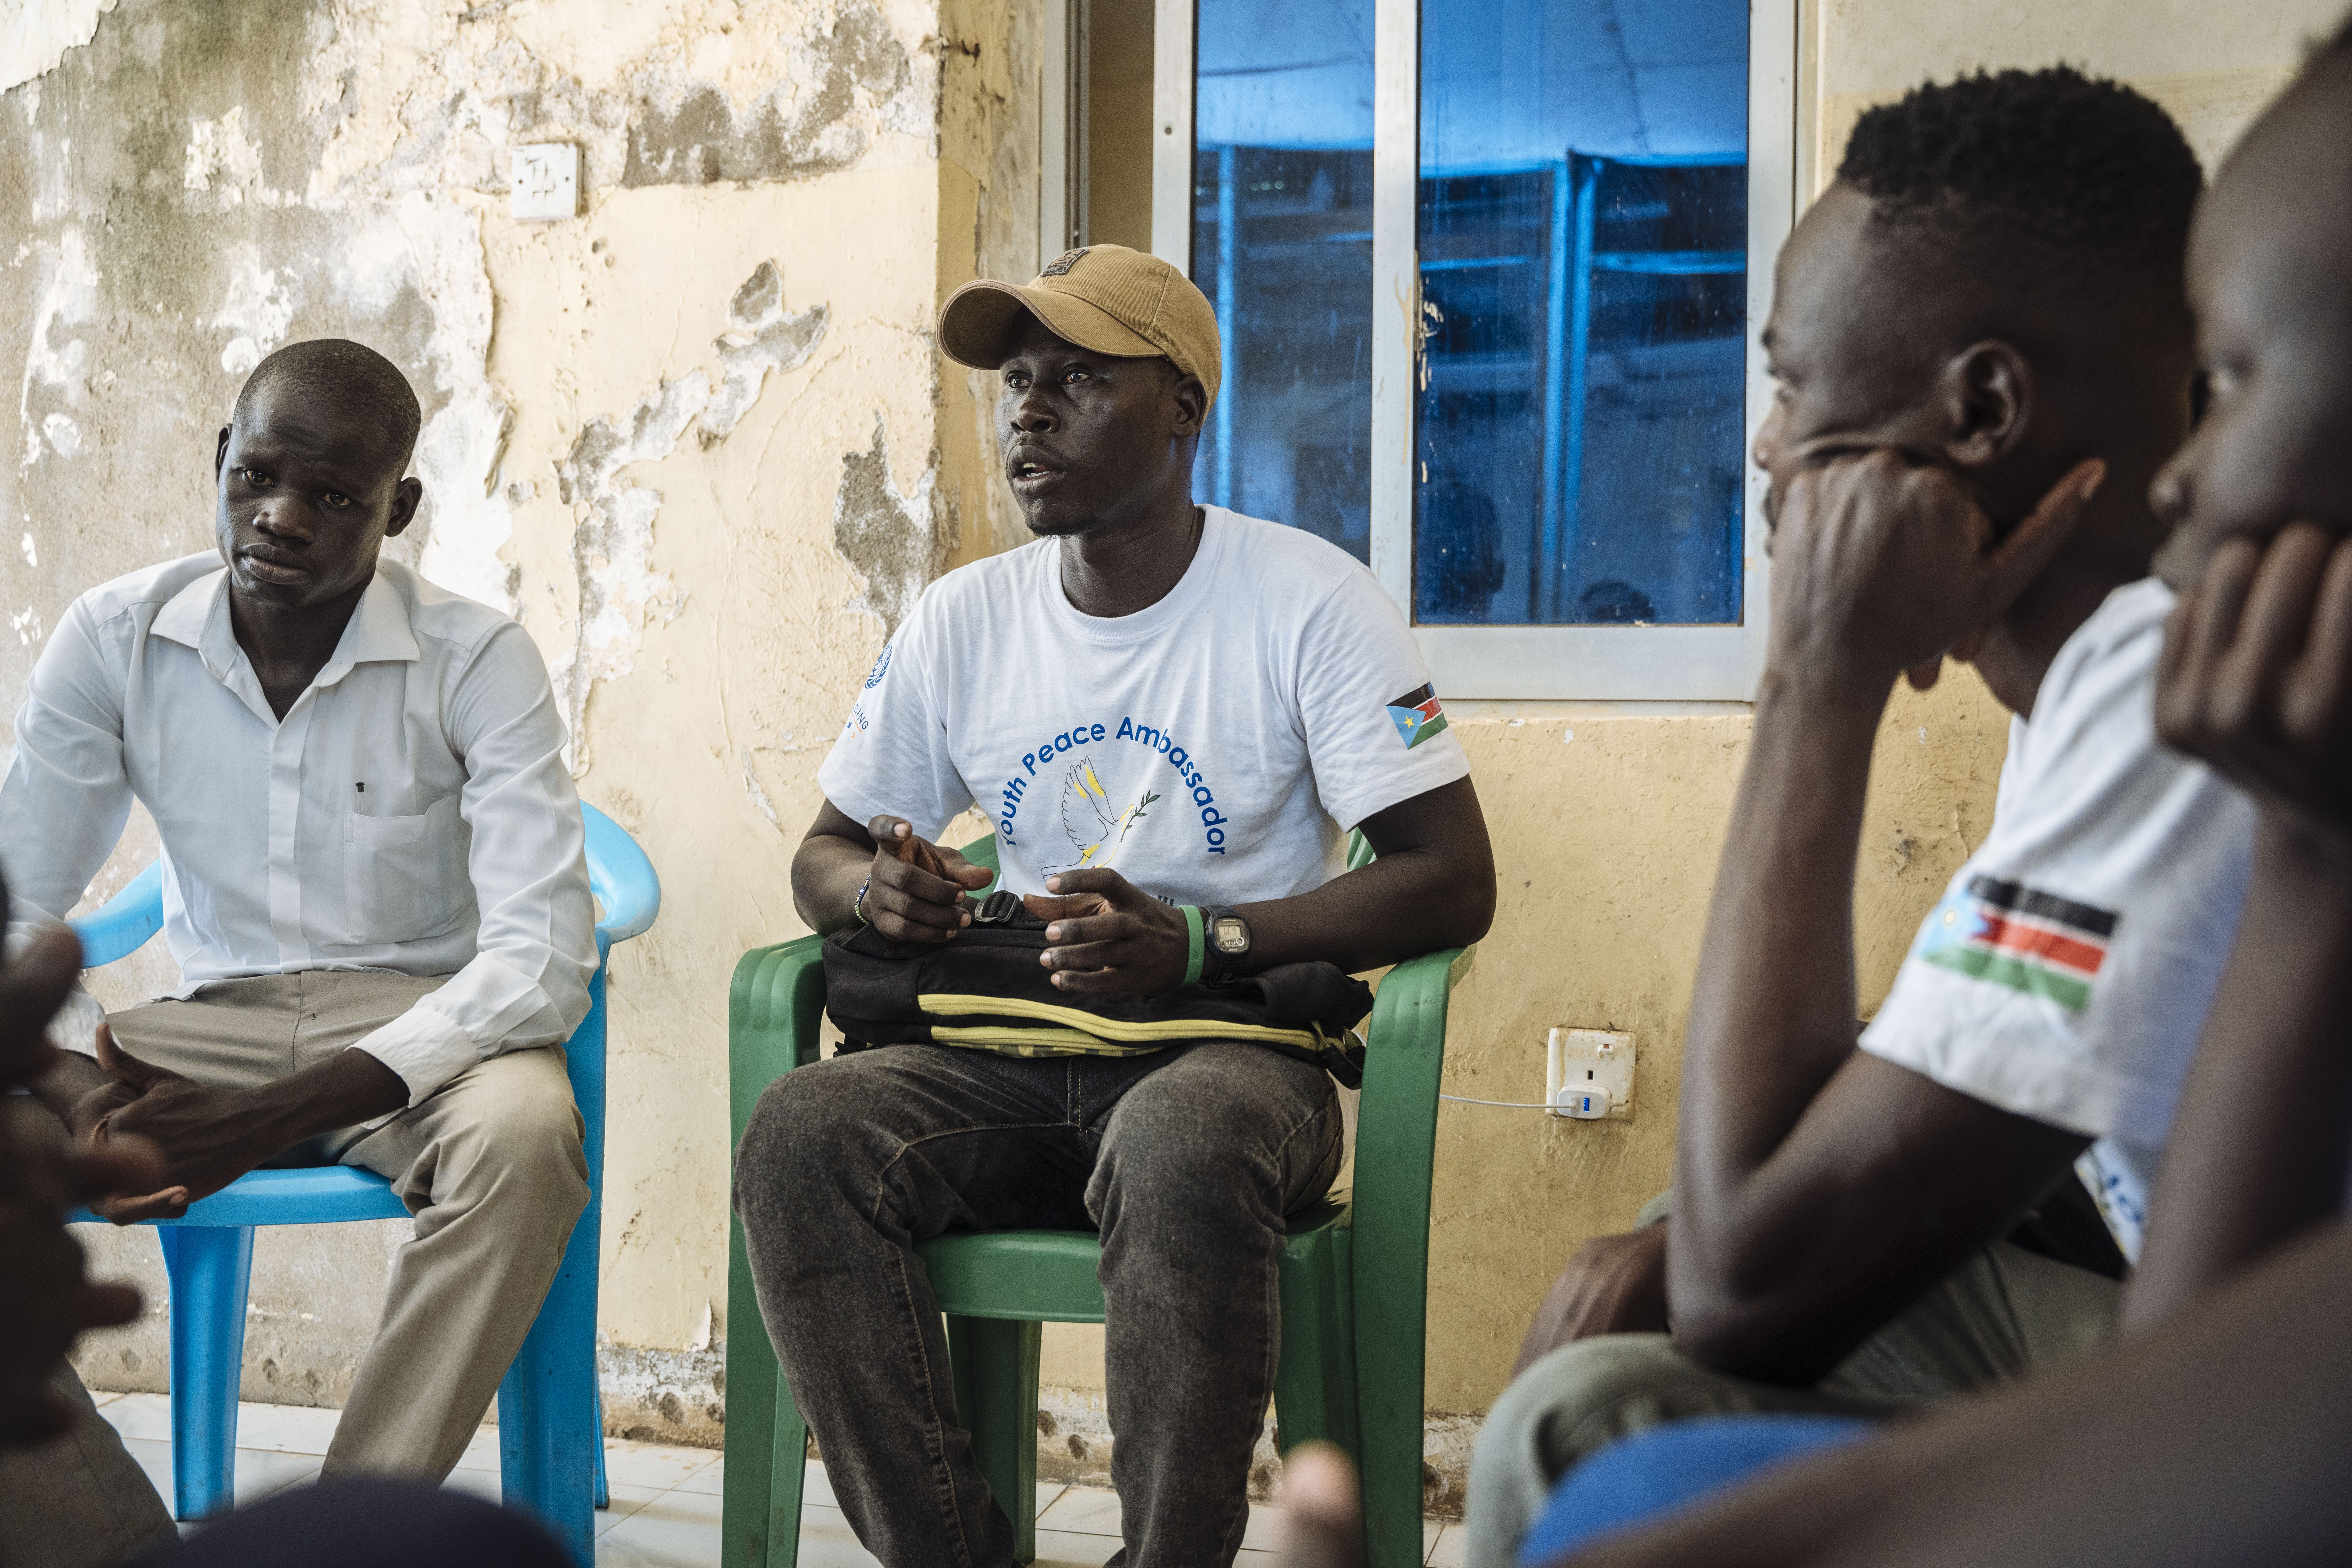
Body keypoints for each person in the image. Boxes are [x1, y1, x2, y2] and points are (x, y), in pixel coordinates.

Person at [1468, 69, 2246, 1566]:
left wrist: (1815, 681)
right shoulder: (2095, 678)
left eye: (1792, 384)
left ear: (1982, 413)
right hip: (2158, 1281)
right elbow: (1968, 1045)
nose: (1765, 446)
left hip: (2254, 1378)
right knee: (1662, 1229)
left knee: (1600, 1415)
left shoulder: (2166, 683)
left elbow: (1758, 1277)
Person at [733, 243, 1496, 1567]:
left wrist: (1206, 938)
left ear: (1185, 409)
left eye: (1078, 380)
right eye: (1017, 381)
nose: (1028, 410)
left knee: (1181, 1147)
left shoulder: (1313, 602)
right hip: (1008, 1065)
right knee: (804, 1135)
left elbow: (1452, 876)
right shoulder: (962, 620)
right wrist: (885, 890)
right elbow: (823, 855)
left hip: (1233, 1060)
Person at [0, 339, 598, 1567]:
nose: (281, 517)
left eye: (334, 498)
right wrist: (67, 1082)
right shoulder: (116, 637)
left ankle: (339, 1541)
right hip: (206, 1021)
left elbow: (542, 957)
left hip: (420, 1031)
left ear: (400, 509)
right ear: (221, 459)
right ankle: (103, 1542)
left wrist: (273, 1117)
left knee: (529, 1138)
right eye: (258, 476)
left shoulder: (478, 659)